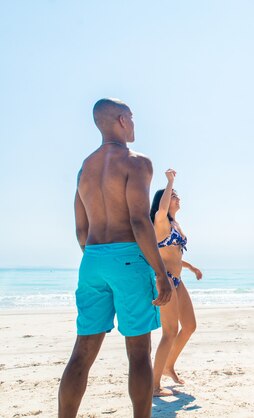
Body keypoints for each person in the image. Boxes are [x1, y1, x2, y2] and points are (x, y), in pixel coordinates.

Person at [58, 98, 172, 418]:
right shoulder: (136, 162)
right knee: (138, 353)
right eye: (132, 118)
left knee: (82, 352)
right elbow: (139, 221)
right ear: (121, 120)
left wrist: (99, 258)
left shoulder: (85, 168)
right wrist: (161, 274)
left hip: (92, 259)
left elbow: (81, 230)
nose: (134, 124)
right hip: (128, 258)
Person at [150, 170, 203, 396]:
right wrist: (170, 181)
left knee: (189, 326)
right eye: (173, 195)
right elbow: (162, 209)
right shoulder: (160, 221)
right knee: (169, 332)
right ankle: (153, 386)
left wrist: (190, 267)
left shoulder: (175, 224)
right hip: (165, 280)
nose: (177, 198)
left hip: (178, 279)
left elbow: (174, 253)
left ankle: (168, 366)